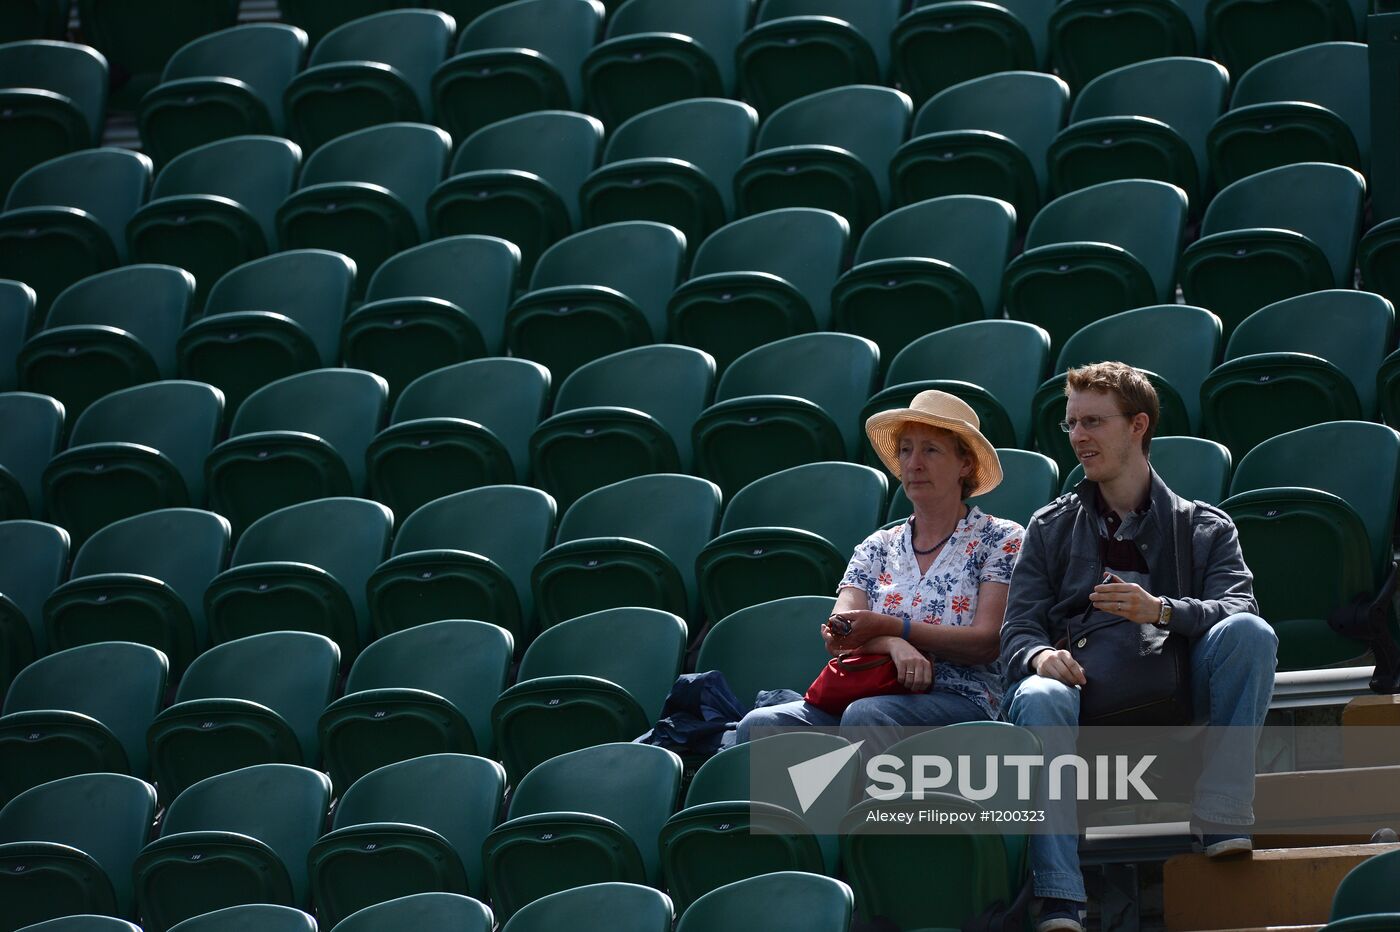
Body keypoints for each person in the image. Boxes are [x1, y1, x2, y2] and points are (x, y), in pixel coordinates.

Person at [1000, 362, 1277, 932]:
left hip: (1178, 681)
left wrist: (1163, 611)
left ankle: (1222, 818)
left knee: (1252, 635)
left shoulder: (1207, 526)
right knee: (1037, 693)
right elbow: (1017, 631)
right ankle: (1060, 897)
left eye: (1093, 422)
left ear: (1138, 426)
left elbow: (1238, 608)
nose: (1078, 436)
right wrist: (1039, 657)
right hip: (1084, 689)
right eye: (1071, 423)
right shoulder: (1049, 526)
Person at [735, 389, 1024, 742]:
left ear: (965, 465)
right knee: (761, 723)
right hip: (870, 687)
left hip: (962, 697)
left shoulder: (1001, 538)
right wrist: (891, 643)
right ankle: (818, 800)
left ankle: (874, 801)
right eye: (906, 450)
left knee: (867, 713)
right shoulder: (878, 545)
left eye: (930, 450)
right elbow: (839, 632)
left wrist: (893, 627)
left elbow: (986, 642)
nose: (914, 463)